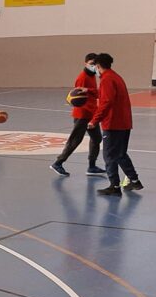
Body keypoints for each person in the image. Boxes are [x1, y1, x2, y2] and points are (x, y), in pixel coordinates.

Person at [89, 53, 143, 197]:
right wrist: (89, 91)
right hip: (124, 122)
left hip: (113, 124)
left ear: (98, 66)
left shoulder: (106, 79)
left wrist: (94, 120)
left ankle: (114, 186)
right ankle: (135, 181)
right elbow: (106, 94)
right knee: (120, 154)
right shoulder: (115, 77)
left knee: (110, 155)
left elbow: (106, 102)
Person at [50, 54, 106, 178]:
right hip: (82, 115)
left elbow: (94, 94)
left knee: (96, 138)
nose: (93, 66)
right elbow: (78, 99)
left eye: (95, 63)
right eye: (91, 63)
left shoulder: (92, 76)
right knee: (75, 140)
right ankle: (58, 163)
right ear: (85, 63)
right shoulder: (82, 78)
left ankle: (92, 166)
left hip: (91, 113)